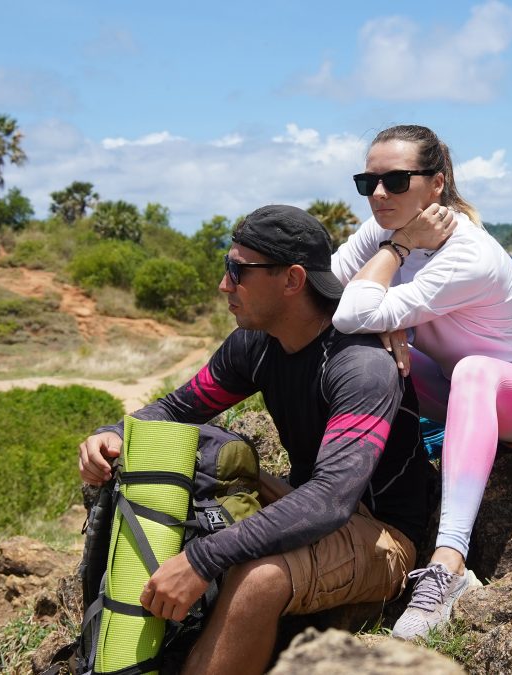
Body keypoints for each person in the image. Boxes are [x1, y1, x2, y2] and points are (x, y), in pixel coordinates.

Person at [79, 205, 430, 675]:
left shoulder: (360, 365)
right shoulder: (256, 344)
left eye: (238, 271)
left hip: (383, 533)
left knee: (256, 576)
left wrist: (201, 559)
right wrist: (110, 435)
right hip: (304, 497)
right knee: (185, 475)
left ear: (292, 280)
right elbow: (178, 411)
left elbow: (331, 500)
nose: (225, 284)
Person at [330, 124, 512, 640]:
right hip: (453, 391)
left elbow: (352, 311)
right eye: (367, 182)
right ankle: (342, 487)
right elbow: (324, 295)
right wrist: (391, 285)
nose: (378, 194)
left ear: (436, 183)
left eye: (395, 181)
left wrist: (394, 259)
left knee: (473, 369)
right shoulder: (381, 234)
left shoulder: (469, 254)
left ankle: (450, 567)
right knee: (364, 348)